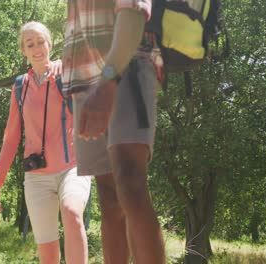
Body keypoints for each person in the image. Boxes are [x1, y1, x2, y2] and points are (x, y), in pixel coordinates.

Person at [62, 1, 166, 263]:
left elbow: (133, 12)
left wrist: (108, 81)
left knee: (130, 184)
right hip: (84, 79)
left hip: (126, 66)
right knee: (109, 199)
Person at [0, 21, 91, 264]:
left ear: (50, 44)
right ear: (23, 50)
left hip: (73, 167)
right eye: (29, 44)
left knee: (72, 212)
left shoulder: (67, 73)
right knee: (47, 249)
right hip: (37, 176)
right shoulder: (20, 87)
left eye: (41, 42)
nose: (37, 48)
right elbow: (11, 138)